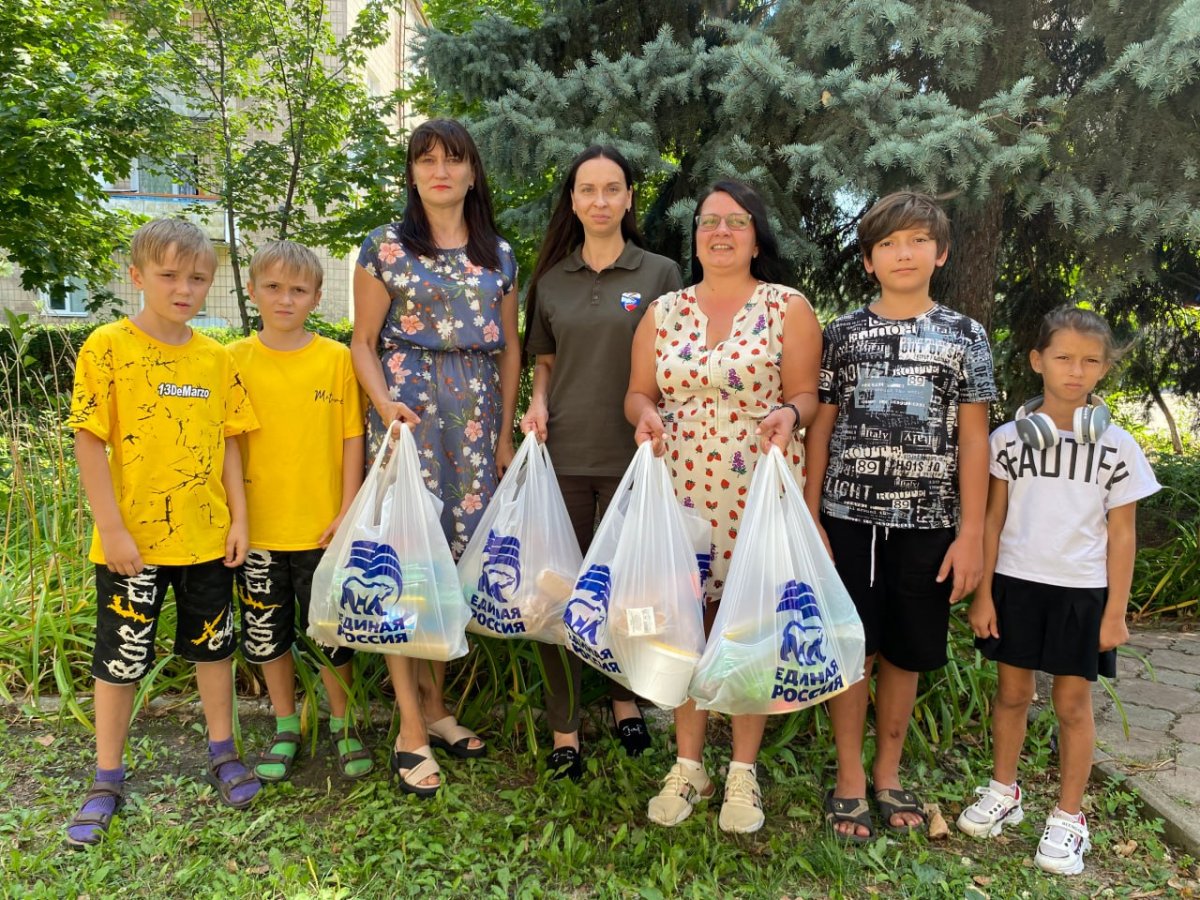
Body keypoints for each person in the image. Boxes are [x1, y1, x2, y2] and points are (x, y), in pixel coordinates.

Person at [625, 180, 822, 833]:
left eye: (736, 222)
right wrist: (647, 413)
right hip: (679, 493)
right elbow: (637, 394)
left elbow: (806, 396)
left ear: (756, 234)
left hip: (755, 493)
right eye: (710, 222)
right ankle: (688, 766)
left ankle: (742, 773)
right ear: (696, 235)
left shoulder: (786, 308)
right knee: (685, 626)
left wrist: (790, 413)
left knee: (748, 628)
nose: (721, 232)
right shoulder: (663, 311)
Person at [803, 191, 996, 841]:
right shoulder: (844, 334)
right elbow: (821, 429)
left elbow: (975, 439)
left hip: (930, 524)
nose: (903, 253)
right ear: (868, 261)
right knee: (853, 649)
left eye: (916, 240)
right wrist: (810, 513)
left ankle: (889, 771)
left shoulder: (966, 336)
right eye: (888, 243)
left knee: (906, 656)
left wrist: (970, 533)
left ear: (939, 253)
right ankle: (850, 776)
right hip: (847, 519)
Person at [65, 219, 261, 847]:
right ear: (137, 276)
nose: (184, 288)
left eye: (197, 277)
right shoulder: (106, 347)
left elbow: (231, 445)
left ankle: (224, 751)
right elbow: (89, 442)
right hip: (132, 548)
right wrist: (113, 529)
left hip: (206, 540)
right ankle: (106, 776)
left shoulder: (216, 357)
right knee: (120, 660)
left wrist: (240, 519)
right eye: (169, 275)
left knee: (214, 650)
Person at [957, 307, 1159, 875]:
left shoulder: (1117, 447)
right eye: (1064, 357)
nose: (1076, 371)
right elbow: (992, 522)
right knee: (1013, 696)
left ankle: (1070, 817)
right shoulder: (1007, 441)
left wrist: (1115, 612)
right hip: (1016, 586)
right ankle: (1005, 790)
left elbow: (1123, 535)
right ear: (1037, 361)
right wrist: (984, 595)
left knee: (1072, 705)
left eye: (1091, 361)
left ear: (1104, 370)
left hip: (1082, 594)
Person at [351, 118, 519, 796]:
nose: (440, 170)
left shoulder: (500, 254)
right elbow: (362, 340)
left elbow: (508, 348)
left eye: (453, 159)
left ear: (473, 173)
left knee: (450, 564)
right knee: (406, 561)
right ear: (412, 173)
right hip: (408, 417)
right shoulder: (384, 248)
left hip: (475, 419)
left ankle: (440, 707)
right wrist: (385, 404)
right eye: (426, 159)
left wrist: (504, 434)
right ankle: (409, 726)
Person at [519, 146, 682, 780]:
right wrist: (535, 407)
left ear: (628, 198)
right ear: (574, 200)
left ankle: (624, 700)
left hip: (638, 460)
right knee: (556, 593)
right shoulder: (552, 280)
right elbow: (546, 363)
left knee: (626, 590)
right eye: (587, 189)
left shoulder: (661, 273)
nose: (600, 200)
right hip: (562, 459)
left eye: (612, 189)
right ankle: (565, 728)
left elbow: (676, 362)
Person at [229, 241, 373, 783]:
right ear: (253, 291)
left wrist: (347, 511)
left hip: (322, 531)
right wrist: (238, 520)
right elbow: (229, 446)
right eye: (273, 287)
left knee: (333, 634)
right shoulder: (234, 361)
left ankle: (343, 721)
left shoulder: (336, 360)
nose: (284, 299)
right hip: (260, 532)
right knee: (267, 636)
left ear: (316, 296)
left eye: (297, 290)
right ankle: (286, 722)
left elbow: (352, 440)